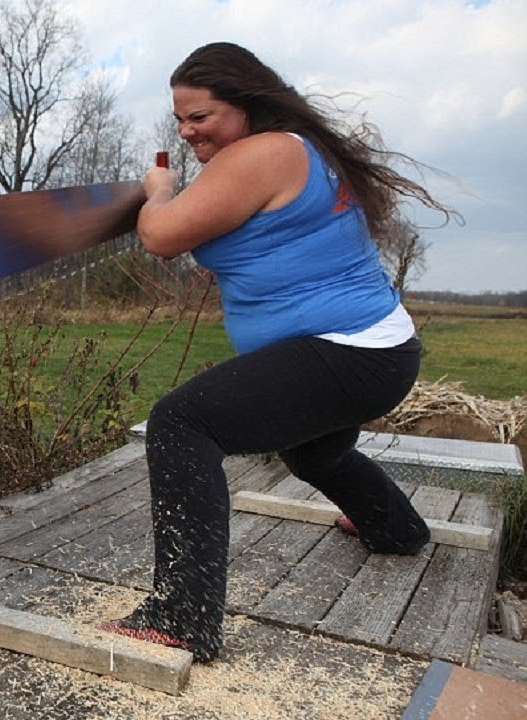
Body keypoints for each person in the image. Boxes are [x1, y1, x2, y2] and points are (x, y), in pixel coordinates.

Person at [99, 42, 454, 662]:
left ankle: (182, 618)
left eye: (200, 117)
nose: (185, 131)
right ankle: (396, 528)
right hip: (377, 349)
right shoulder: (295, 148)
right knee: (314, 450)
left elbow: (160, 236)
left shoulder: (263, 153)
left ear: (246, 104)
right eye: (179, 120)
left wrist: (158, 191)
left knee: (183, 423)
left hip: (349, 350)